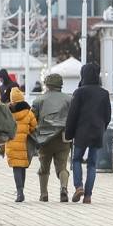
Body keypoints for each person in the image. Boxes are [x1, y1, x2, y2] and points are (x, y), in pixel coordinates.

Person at [65, 62, 112, 204]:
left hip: (81, 132)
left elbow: (72, 115)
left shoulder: (79, 92)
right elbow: (107, 116)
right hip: (97, 132)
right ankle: (88, 196)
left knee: (76, 159)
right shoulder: (104, 93)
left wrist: (69, 133)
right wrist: (102, 128)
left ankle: (78, 186)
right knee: (92, 164)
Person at [32, 73, 73, 202]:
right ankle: (64, 188)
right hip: (63, 138)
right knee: (62, 167)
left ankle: (44, 194)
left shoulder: (39, 100)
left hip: (45, 139)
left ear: (47, 84)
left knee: (44, 168)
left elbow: (32, 120)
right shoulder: (69, 99)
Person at [4, 87, 39, 203]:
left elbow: (3, 126)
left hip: (11, 144)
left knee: (16, 167)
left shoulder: (7, 112)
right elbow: (34, 126)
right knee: (22, 166)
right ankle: (21, 190)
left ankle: (20, 192)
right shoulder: (29, 113)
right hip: (24, 144)